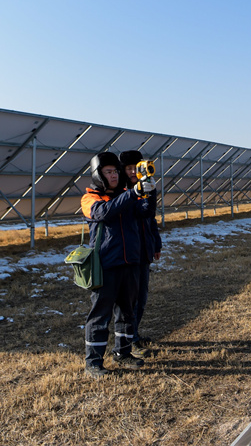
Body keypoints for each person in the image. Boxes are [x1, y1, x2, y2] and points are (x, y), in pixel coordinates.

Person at [80, 151, 154, 377]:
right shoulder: (90, 198)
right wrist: (133, 193)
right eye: (108, 172)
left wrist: (149, 189)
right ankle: (93, 362)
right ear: (98, 175)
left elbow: (145, 213)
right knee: (100, 315)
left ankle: (122, 353)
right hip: (106, 265)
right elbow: (104, 213)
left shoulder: (126, 195)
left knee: (127, 312)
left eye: (115, 171)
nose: (113, 175)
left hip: (130, 262)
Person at [117, 150, 162, 357]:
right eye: (128, 168)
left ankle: (133, 334)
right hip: (129, 253)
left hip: (144, 251)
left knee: (141, 298)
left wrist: (156, 244)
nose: (133, 171)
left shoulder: (145, 188)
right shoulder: (122, 192)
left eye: (136, 167)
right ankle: (129, 341)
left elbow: (150, 218)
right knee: (130, 300)